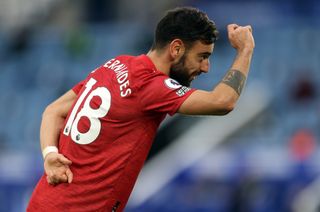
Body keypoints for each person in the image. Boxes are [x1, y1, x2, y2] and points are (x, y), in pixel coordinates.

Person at [27, 7, 255, 212]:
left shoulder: (116, 64)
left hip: (43, 202)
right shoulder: (150, 86)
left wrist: (49, 155)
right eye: (202, 56)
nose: (206, 67)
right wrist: (245, 50)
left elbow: (53, 110)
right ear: (176, 48)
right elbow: (222, 102)